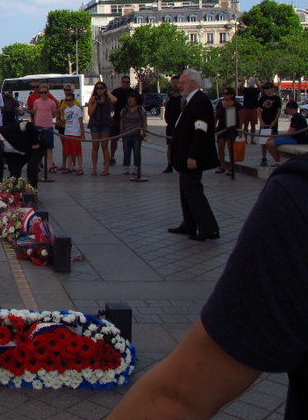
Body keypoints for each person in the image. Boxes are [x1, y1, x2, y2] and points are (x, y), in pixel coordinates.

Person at [107, 157, 308, 419]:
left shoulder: (298, 197)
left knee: (192, 188)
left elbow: (180, 396)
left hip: (193, 161)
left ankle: (205, 226)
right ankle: (195, 224)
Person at [167, 68, 221, 241]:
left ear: (193, 83)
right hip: (184, 155)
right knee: (185, 190)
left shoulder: (200, 101)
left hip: (193, 156)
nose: (180, 86)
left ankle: (209, 228)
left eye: (183, 83)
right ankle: (189, 223)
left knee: (193, 190)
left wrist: (193, 156)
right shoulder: (190, 100)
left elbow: (201, 130)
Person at [0, 121, 45, 189]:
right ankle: (15, 190)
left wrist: (35, 142)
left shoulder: (8, 129)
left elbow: (29, 125)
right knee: (14, 173)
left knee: (31, 167)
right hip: (20, 154)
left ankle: (32, 188)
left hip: (35, 147)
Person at [265, 100, 308, 165]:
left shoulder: (296, 117)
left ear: (293, 109)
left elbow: (290, 133)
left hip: (296, 139)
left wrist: (275, 137)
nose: (287, 111)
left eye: (288, 109)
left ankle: (278, 162)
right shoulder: (298, 116)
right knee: (271, 141)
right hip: (297, 138)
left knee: (269, 143)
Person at [110, 76, 141, 166]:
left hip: (130, 120)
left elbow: (140, 104)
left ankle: (127, 161)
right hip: (116, 118)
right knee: (113, 139)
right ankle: (112, 156)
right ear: (121, 82)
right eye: (124, 82)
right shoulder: (116, 92)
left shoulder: (134, 92)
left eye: (127, 82)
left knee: (127, 141)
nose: (125, 83)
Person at [87, 81, 116, 175]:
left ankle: (106, 169)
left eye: (101, 88)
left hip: (106, 124)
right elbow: (90, 113)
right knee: (95, 147)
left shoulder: (108, 99)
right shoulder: (92, 99)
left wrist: (108, 93)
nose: (99, 90)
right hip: (95, 123)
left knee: (104, 146)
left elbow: (115, 100)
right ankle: (94, 168)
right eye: (97, 88)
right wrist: (95, 103)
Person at [31, 83, 58, 172]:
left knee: (49, 147)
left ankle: (50, 165)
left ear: (48, 92)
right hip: (39, 126)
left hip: (48, 126)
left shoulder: (52, 102)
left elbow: (54, 114)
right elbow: (35, 112)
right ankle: (38, 163)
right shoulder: (36, 102)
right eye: (41, 92)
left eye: (45, 92)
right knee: (38, 146)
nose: (43, 94)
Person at [214, 86, 241, 174]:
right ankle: (222, 165)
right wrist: (213, 127)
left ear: (231, 95)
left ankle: (231, 167)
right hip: (221, 128)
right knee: (220, 148)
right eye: (223, 94)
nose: (224, 96)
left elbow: (241, 118)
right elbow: (216, 116)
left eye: (226, 94)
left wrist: (240, 130)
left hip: (232, 128)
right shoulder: (219, 104)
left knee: (230, 148)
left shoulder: (237, 105)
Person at [119, 92, 147, 175]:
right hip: (126, 134)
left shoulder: (140, 110)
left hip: (137, 135)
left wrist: (144, 131)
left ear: (136, 100)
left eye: (132, 99)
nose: (130, 101)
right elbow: (121, 121)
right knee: (126, 151)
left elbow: (144, 121)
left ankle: (136, 167)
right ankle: (126, 166)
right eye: (128, 99)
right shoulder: (124, 110)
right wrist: (121, 132)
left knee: (136, 152)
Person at [56, 84, 81, 169]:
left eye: (68, 90)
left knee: (73, 147)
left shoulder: (76, 102)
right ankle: (64, 164)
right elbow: (59, 112)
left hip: (72, 128)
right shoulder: (62, 101)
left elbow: (79, 115)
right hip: (63, 126)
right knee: (65, 147)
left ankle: (73, 165)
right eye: (65, 90)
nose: (66, 91)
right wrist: (58, 119)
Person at [258, 81, 282, 167]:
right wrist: (261, 121)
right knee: (263, 142)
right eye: (264, 89)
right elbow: (259, 110)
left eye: (267, 89)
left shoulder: (277, 98)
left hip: (273, 123)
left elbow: (279, 111)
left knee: (273, 141)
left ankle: (277, 160)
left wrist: (274, 121)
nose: (266, 91)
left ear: (272, 89)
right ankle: (264, 158)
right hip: (264, 123)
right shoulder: (262, 98)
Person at [162, 74, 182, 173]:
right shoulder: (169, 96)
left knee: (181, 145)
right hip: (170, 124)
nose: (174, 85)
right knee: (170, 145)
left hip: (181, 125)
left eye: (176, 82)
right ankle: (169, 164)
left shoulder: (184, 97)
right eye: (173, 82)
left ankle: (180, 163)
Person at [61, 92, 84, 175]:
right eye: (66, 100)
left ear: (73, 100)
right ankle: (69, 167)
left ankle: (80, 167)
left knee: (77, 152)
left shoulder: (77, 109)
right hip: (67, 132)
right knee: (69, 151)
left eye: (69, 100)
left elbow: (81, 122)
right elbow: (66, 121)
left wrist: (82, 133)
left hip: (75, 133)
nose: (68, 102)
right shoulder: (66, 110)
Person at [239, 76, 260, 144]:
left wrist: (256, 80)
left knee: (252, 125)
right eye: (250, 81)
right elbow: (240, 87)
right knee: (246, 125)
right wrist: (245, 79)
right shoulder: (246, 90)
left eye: (252, 81)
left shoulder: (255, 90)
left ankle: (251, 139)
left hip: (253, 109)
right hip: (246, 108)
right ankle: (245, 139)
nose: (251, 82)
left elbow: (259, 87)